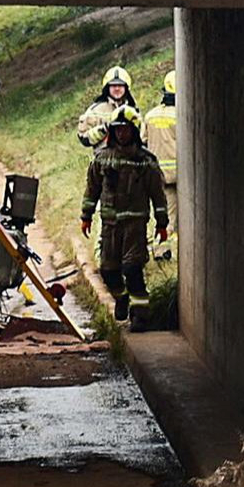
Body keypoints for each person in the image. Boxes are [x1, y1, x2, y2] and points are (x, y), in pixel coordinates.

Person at [80, 105, 169, 330]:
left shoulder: (146, 161)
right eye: (117, 129)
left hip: (135, 226)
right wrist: (86, 216)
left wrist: (162, 223)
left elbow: (158, 194)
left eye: (126, 129)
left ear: (134, 131)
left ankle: (141, 315)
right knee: (108, 271)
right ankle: (121, 298)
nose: (121, 133)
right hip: (110, 226)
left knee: (132, 269)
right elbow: (92, 190)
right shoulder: (101, 159)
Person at [142, 71, 178, 245]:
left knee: (160, 213)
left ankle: (158, 247)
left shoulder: (150, 116)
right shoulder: (183, 116)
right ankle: (162, 251)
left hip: (156, 175)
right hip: (178, 175)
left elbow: (142, 143)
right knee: (173, 218)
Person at [76, 65, 136, 148]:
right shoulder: (96, 109)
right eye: (113, 85)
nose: (117, 89)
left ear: (126, 88)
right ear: (107, 88)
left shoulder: (132, 109)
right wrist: (105, 129)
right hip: (105, 159)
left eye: (120, 85)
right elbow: (84, 138)